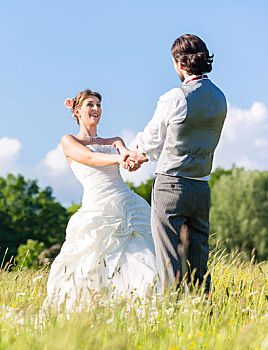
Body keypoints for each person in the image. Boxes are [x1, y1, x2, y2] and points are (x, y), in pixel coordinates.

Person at [45, 89, 159, 309]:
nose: (96, 108)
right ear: (77, 111)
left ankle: (143, 307)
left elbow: (125, 156)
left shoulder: (115, 140)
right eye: (90, 104)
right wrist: (120, 158)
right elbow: (90, 158)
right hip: (98, 207)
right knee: (92, 263)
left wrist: (131, 161)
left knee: (142, 258)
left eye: (98, 104)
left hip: (127, 205)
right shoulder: (68, 141)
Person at [132, 34, 227, 293]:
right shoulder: (220, 98)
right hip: (201, 188)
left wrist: (136, 153)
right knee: (199, 265)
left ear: (179, 64)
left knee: (169, 263)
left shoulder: (175, 97)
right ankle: (202, 317)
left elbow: (153, 138)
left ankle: (171, 318)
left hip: (170, 186)